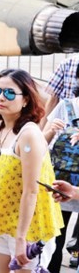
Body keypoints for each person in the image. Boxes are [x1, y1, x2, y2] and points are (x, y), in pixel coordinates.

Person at [0, 69, 64, 272]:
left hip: (30, 230)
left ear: (25, 100)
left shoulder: (29, 135)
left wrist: (21, 239)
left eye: (9, 93)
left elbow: (31, 190)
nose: (0, 97)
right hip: (0, 224)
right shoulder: (1, 129)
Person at [43, 63, 79, 273]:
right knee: (55, 235)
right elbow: (42, 141)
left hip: (63, 181)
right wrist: (49, 131)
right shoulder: (66, 106)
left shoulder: (66, 106)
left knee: (59, 234)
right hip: (62, 182)